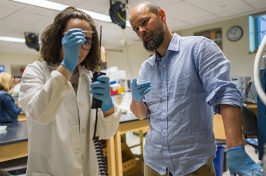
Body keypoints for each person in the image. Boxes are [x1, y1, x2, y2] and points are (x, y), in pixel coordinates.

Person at [129, 2, 262, 176]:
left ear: (162, 15)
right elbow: (141, 114)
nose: (141, 31)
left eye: (144, 22)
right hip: (154, 163)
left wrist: (235, 148)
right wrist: (136, 99)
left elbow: (225, 93)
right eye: (136, 29)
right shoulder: (146, 68)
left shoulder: (198, 48)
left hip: (192, 164)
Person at [18, 7, 121, 176]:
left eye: (86, 41)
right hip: (50, 169)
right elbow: (41, 113)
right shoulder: (35, 71)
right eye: (73, 38)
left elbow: (106, 132)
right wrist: (67, 64)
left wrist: (108, 106)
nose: (80, 47)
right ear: (58, 39)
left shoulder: (90, 78)